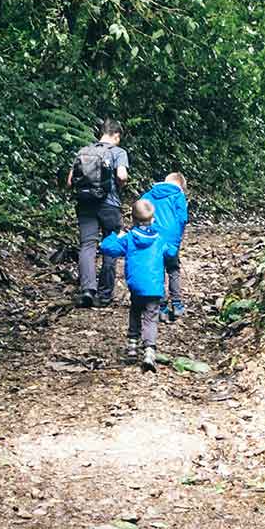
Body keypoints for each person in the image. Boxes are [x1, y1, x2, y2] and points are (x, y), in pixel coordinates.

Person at [98, 198, 176, 372]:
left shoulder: (129, 238)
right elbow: (171, 252)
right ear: (153, 219)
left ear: (132, 220)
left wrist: (114, 235)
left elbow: (106, 247)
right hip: (155, 287)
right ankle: (149, 351)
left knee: (135, 311)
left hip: (136, 286)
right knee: (151, 318)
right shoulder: (159, 238)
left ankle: (132, 346)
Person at [67, 119, 130, 306]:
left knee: (87, 246)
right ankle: (104, 294)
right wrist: (119, 186)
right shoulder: (118, 152)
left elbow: (70, 181)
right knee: (110, 244)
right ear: (116, 135)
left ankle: (87, 290)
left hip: (85, 204)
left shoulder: (84, 151)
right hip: (109, 204)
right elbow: (122, 176)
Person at [138, 172, 189, 321]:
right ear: (180, 185)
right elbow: (183, 219)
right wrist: (178, 238)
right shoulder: (178, 195)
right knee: (173, 269)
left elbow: (140, 212)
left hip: (153, 237)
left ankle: (162, 307)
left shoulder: (149, 194)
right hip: (172, 238)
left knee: (158, 269)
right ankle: (177, 304)